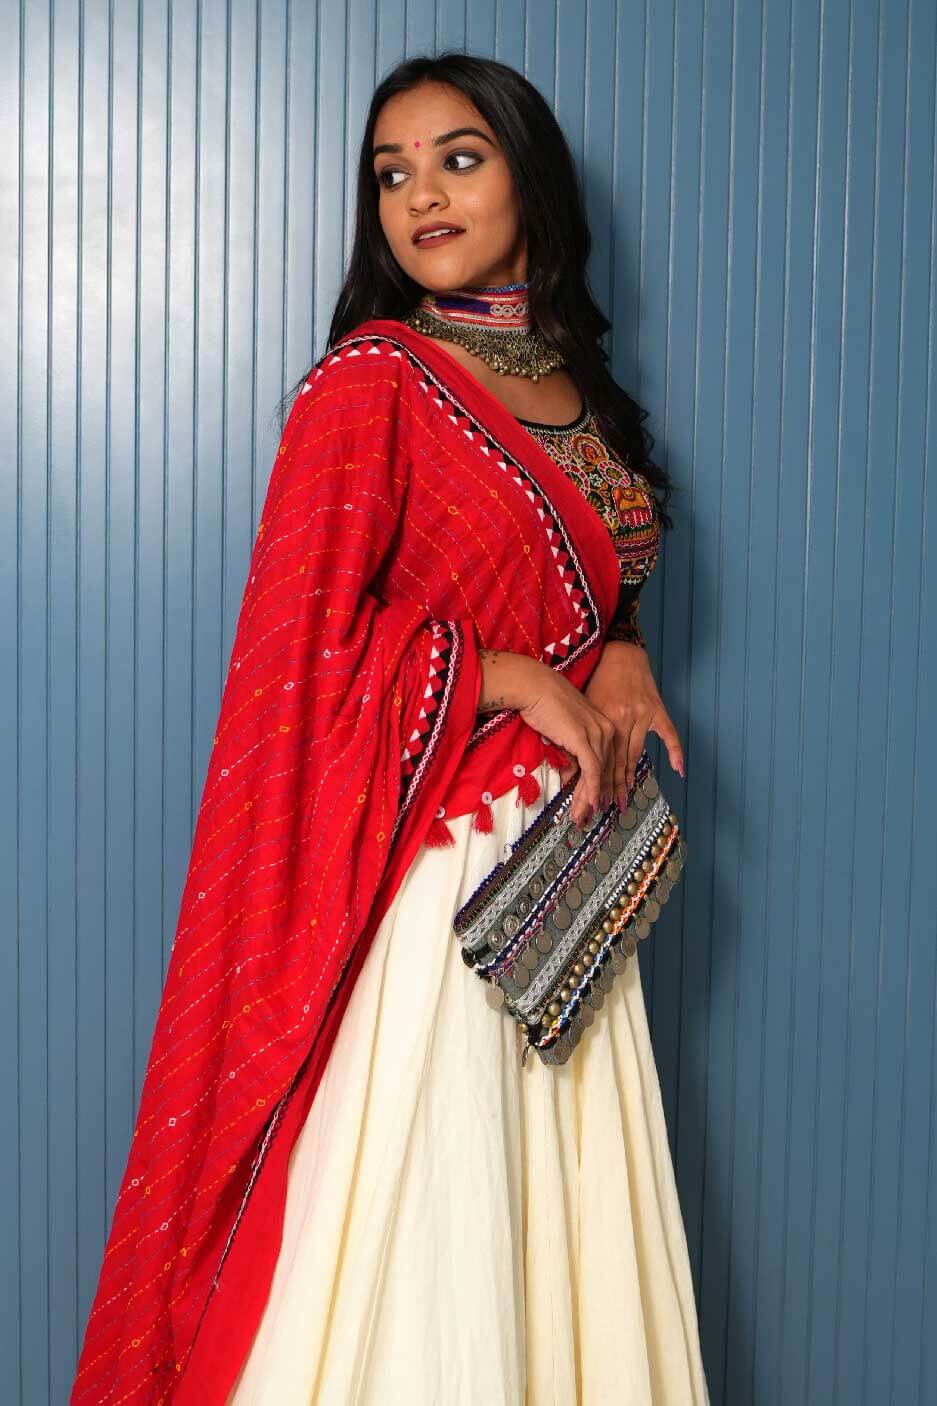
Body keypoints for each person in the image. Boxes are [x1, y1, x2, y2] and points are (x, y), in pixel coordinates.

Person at [71, 51, 708, 1406]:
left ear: (530, 179)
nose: (421, 194)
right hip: (443, 886)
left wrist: (621, 650)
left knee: (556, 1259)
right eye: (392, 173)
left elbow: (595, 565)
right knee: (433, 1254)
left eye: (458, 159)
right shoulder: (373, 382)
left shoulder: (575, 393)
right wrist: (507, 675)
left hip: (563, 885)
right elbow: (296, 650)